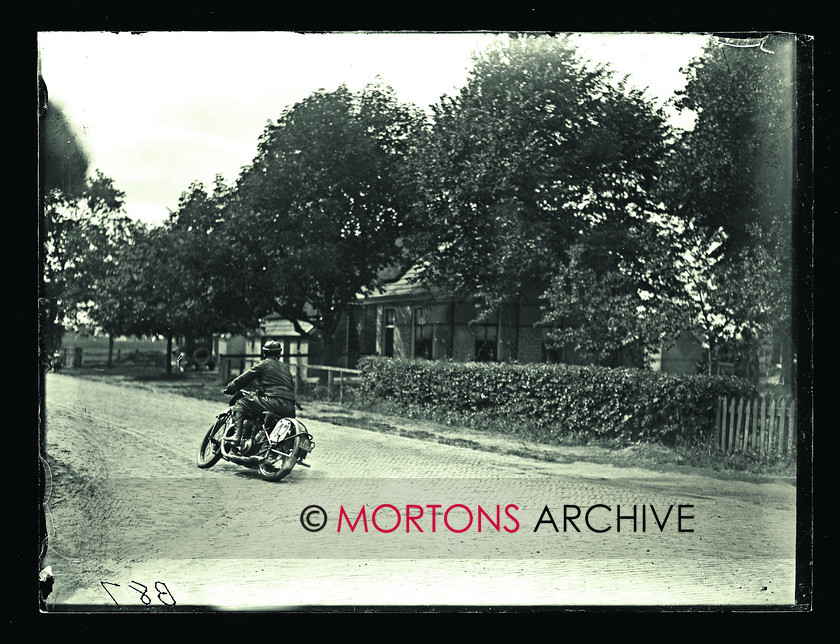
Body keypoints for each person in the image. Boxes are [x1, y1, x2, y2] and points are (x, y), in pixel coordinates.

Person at [223, 340, 296, 451]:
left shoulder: (263, 364)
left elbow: (244, 378)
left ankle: (236, 436)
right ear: (279, 354)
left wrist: (231, 387)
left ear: (264, 353)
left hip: (272, 402)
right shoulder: (286, 368)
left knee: (240, 403)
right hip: (290, 407)